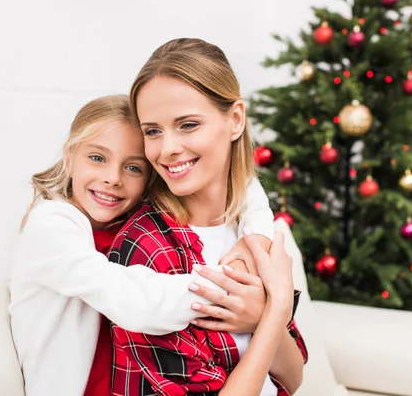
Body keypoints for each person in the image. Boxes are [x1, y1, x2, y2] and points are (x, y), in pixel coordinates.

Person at [8, 95, 277, 396]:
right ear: (69, 158)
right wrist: (231, 289)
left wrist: (258, 237)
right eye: (97, 158)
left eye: (133, 168)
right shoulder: (51, 226)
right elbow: (136, 302)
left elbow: (241, 181)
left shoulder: (133, 220)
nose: (113, 179)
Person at [109, 38, 307, 396]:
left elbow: (292, 379)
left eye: (187, 125)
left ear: (235, 120)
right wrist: (273, 310)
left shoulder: (253, 231)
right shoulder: (146, 250)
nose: (167, 148)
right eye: (152, 131)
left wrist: (262, 317)